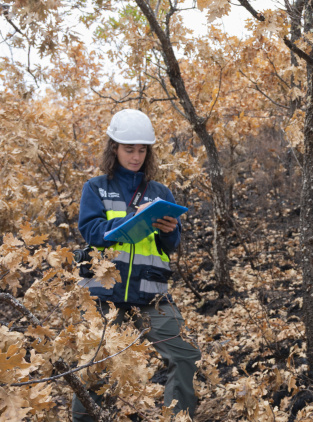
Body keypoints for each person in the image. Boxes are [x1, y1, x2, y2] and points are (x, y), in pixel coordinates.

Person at [74, 109, 201, 420]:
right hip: (105, 293)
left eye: (142, 150)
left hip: (152, 294)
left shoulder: (160, 193)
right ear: (114, 148)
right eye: (129, 149)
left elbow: (168, 247)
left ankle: (179, 418)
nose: (136, 156)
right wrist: (132, 220)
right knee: (94, 366)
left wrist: (171, 233)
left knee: (185, 355)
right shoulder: (96, 187)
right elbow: (90, 231)